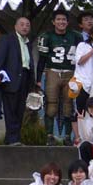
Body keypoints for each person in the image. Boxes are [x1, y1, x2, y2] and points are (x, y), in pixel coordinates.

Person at [0, 17, 40, 145]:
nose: (25, 27)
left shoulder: (28, 42)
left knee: (20, 110)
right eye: (22, 24)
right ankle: (12, 138)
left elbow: (29, 62)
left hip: (25, 78)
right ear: (15, 26)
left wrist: (33, 82)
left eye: (27, 25)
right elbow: (0, 57)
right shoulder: (8, 39)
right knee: (11, 110)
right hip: (10, 79)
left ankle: (14, 139)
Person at [37, 8, 81, 145]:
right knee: (51, 104)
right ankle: (49, 135)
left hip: (70, 72)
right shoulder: (47, 36)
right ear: (53, 22)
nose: (61, 22)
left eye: (64, 19)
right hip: (53, 71)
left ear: (67, 22)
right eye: (58, 19)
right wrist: (38, 79)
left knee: (68, 105)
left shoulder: (76, 36)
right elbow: (42, 60)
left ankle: (67, 136)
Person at [72, 24, 93, 145]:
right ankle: (78, 137)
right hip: (80, 82)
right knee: (78, 111)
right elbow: (80, 61)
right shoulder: (83, 45)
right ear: (91, 34)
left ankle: (91, 137)